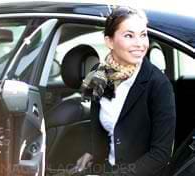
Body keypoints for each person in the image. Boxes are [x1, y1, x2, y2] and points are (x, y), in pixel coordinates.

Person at [74, 6, 176, 176]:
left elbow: (161, 155)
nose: (140, 44)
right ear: (109, 41)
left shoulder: (158, 84)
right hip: (105, 169)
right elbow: (97, 128)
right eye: (129, 35)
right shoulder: (99, 74)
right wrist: (91, 152)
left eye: (143, 35)